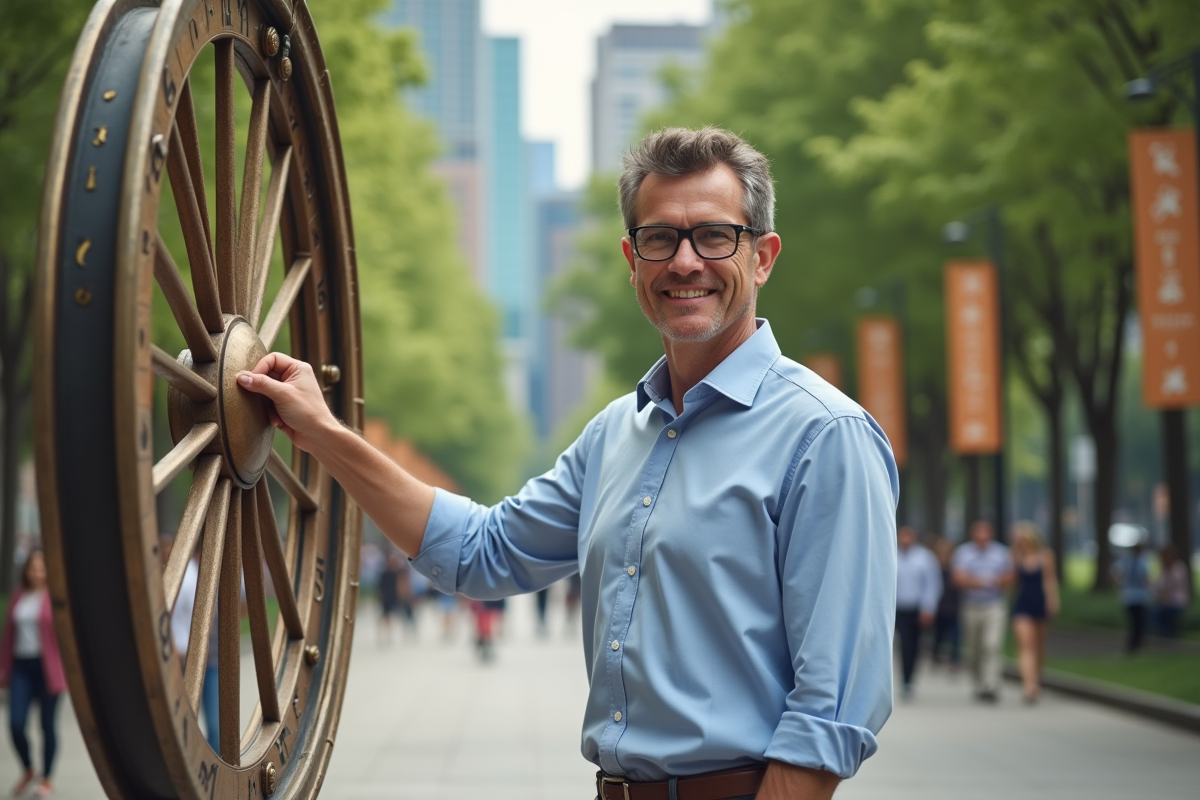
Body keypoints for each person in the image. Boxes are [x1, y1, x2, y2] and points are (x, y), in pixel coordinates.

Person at [238, 126, 899, 799]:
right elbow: (481, 552)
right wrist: (323, 432)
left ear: (762, 258)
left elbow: (831, 709)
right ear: (632, 260)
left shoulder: (826, 436)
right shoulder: (615, 434)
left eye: (714, 236)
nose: (685, 262)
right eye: (660, 238)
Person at [0, 550, 66, 797]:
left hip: (47, 668)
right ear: (26, 571)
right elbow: (9, 635)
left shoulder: (55, 598)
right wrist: (3, 669)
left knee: (47, 725)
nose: (37, 572)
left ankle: (47, 778)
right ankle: (28, 768)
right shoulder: (19, 596)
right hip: (21, 667)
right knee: (16, 723)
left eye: (41, 568)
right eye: (33, 568)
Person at [166, 541, 221, 751]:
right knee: (193, 722)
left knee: (213, 725)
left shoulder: (197, 576)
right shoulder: (187, 577)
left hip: (209, 658)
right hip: (185, 657)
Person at [952, 520, 1013, 703]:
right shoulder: (963, 553)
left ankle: (991, 685)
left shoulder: (1001, 553)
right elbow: (959, 579)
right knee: (975, 648)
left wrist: (976, 580)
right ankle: (979, 681)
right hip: (971, 606)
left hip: (994, 606)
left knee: (991, 645)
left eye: (985, 533)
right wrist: (985, 582)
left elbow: (1009, 577)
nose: (982, 537)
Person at [1009, 522, 1059, 703]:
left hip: (1039, 602)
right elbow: (1011, 582)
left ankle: (1036, 678)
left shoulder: (1045, 556)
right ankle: (1029, 686)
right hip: (1022, 604)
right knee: (1025, 646)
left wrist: (1053, 600)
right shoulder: (1015, 557)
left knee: (1038, 646)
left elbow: (1049, 581)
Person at [894, 526, 941, 698]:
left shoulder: (925, 558)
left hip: (915, 609)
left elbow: (932, 585)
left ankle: (909, 678)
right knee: (901, 644)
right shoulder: (893, 555)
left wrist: (928, 608)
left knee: (912, 645)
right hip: (897, 608)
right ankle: (901, 678)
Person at [1112, 540, 1152, 653]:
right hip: (1136, 596)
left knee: (1136, 622)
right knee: (1137, 622)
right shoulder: (1141, 561)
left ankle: (1135, 645)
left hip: (1132, 596)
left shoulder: (1129, 561)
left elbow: (1114, 572)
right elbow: (1145, 579)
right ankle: (1135, 645)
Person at [930, 538, 961, 670]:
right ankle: (935, 657)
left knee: (955, 636)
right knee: (938, 634)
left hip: (953, 606)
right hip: (939, 607)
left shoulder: (956, 567)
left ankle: (954, 660)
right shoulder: (933, 567)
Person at [1152, 544, 1190, 639]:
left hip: (1177, 601)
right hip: (1165, 602)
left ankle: (1170, 636)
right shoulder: (1163, 570)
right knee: (1155, 613)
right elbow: (1157, 586)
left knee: (1167, 613)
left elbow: (1175, 585)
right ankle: (1162, 636)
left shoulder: (1179, 567)